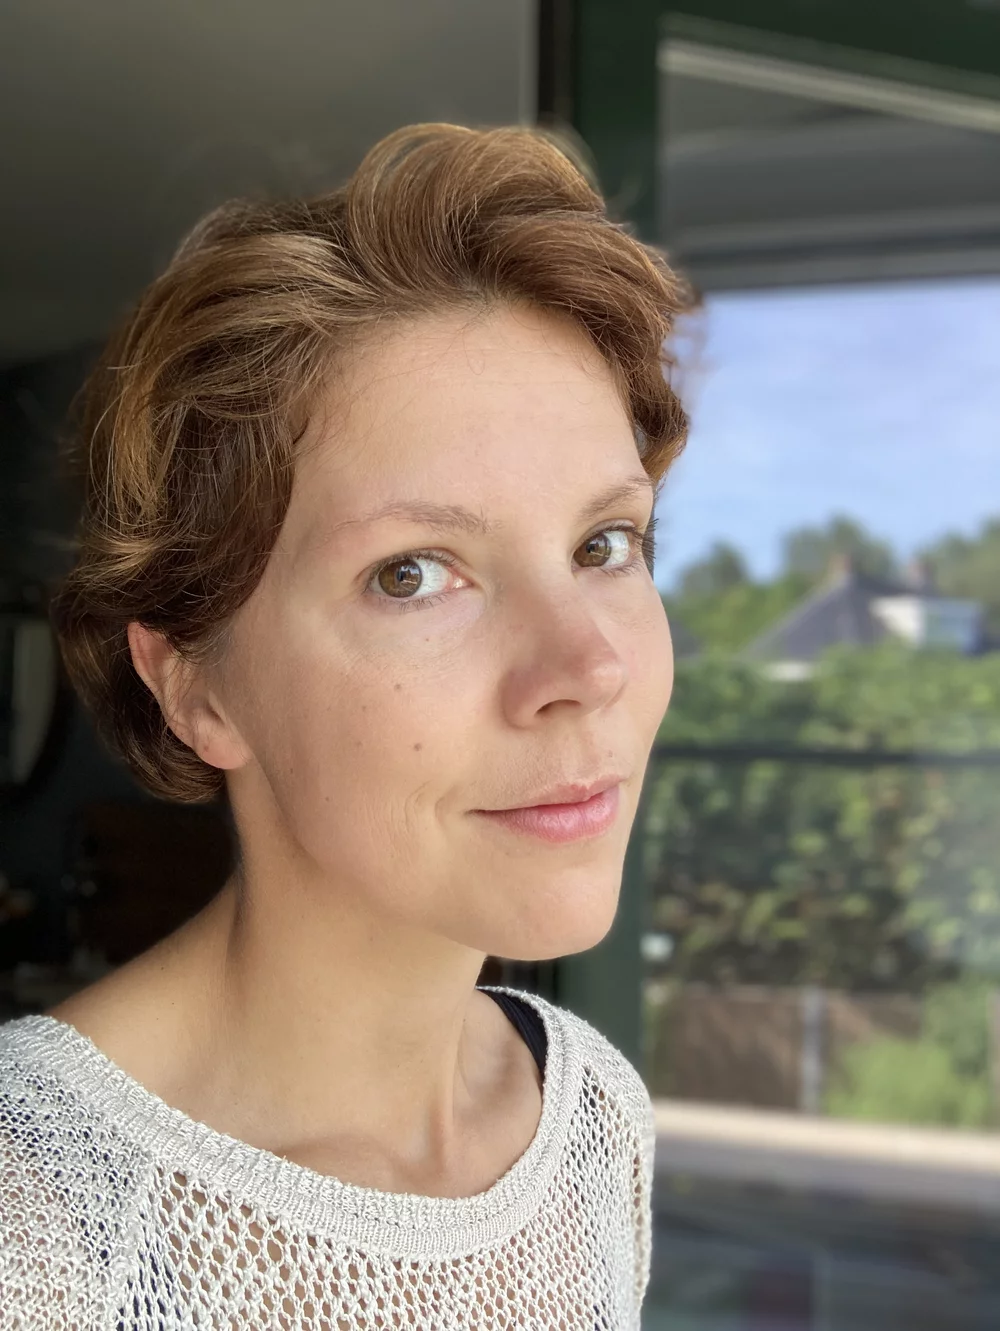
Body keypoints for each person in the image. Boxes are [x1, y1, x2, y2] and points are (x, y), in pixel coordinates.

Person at [0, 122, 690, 1328]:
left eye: (604, 543)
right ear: (196, 686)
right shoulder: (37, 1222)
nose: (587, 666)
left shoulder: (591, 1122)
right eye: (412, 573)